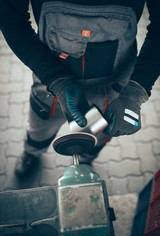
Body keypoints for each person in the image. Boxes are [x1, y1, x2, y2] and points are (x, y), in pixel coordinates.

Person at [0, 0, 159, 177]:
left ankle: (85, 161)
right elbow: (12, 21)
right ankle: (31, 152)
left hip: (112, 87)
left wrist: (135, 91)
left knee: (97, 137)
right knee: (39, 129)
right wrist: (56, 80)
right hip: (50, 83)